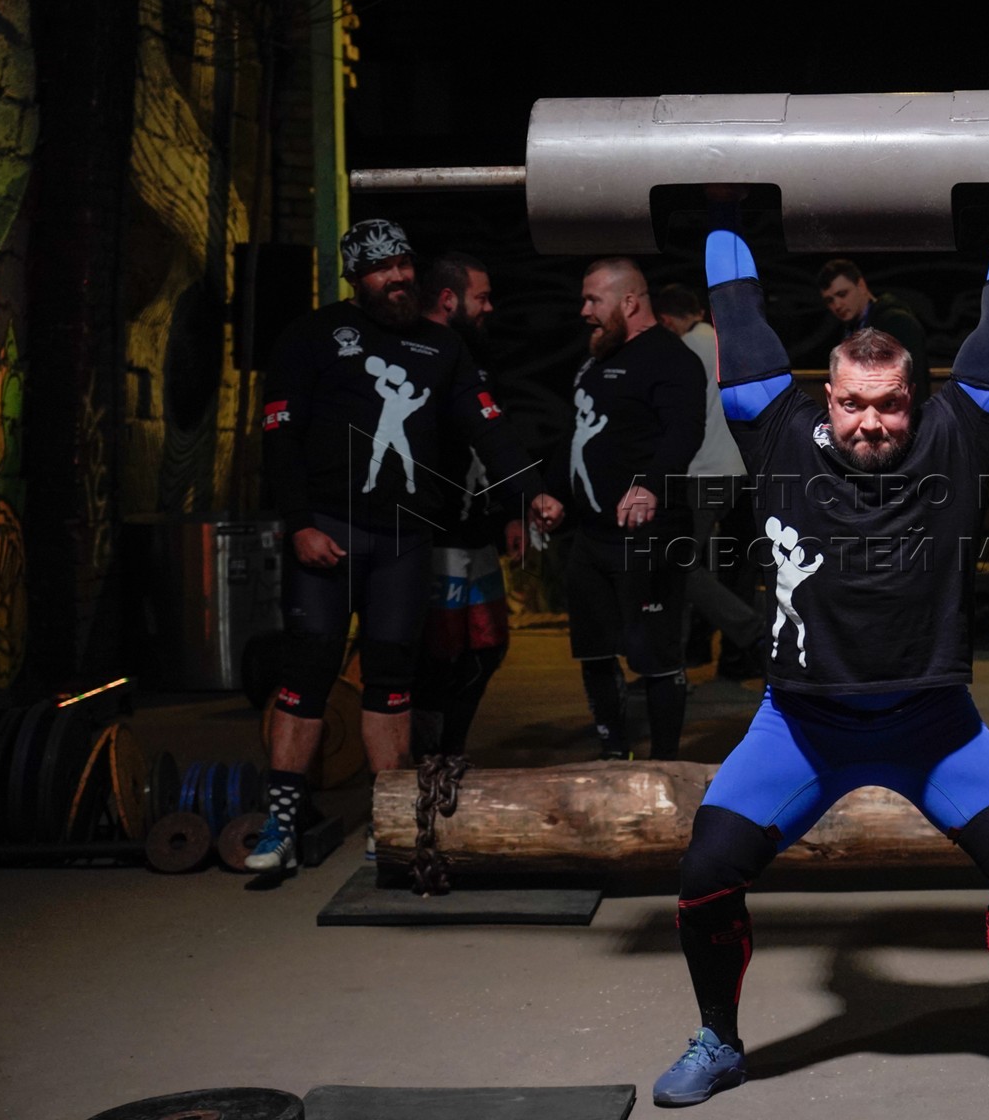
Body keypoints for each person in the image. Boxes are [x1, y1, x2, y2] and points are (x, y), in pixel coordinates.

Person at [648, 201, 989, 1106]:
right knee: (705, 872)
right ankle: (718, 1041)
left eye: (889, 405)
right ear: (829, 395)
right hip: (801, 727)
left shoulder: (960, 433)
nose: (871, 423)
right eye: (852, 403)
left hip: (935, 725)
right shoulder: (775, 431)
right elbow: (734, 296)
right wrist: (724, 204)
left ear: (914, 399)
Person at [251, 221, 545, 872]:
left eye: (405, 264)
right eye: (382, 268)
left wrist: (529, 492)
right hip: (327, 529)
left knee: (391, 679)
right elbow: (279, 435)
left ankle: (388, 822)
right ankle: (280, 824)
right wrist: (298, 523)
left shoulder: (442, 346)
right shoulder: (310, 335)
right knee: (307, 672)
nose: (398, 277)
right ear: (356, 277)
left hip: (405, 540)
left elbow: (486, 426)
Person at [533, 259, 706, 760]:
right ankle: (614, 756)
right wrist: (552, 493)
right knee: (594, 651)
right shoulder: (594, 360)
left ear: (629, 302)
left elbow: (685, 430)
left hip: (648, 533)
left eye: (594, 300)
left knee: (655, 656)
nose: (584, 311)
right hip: (592, 536)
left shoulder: (670, 358)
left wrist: (651, 485)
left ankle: (665, 765)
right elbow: (577, 435)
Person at [410, 251, 522, 758]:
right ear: (448, 299)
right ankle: (427, 755)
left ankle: (448, 749)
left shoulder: (475, 354)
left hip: (477, 530)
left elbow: (493, 438)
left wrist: (511, 512)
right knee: (439, 650)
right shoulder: (419, 354)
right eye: (482, 297)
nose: (489, 307)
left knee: (487, 645)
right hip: (436, 533)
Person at [655, 283, 770, 678]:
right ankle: (719, 653)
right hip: (740, 467)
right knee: (731, 567)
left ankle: (750, 631)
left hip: (704, 471)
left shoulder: (684, 349)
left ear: (666, 321)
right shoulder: (725, 342)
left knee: (677, 563)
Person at [817, 257, 930, 403]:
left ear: (861, 285)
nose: (837, 305)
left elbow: (914, 384)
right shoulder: (850, 329)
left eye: (842, 294)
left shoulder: (896, 322)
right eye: (829, 300)